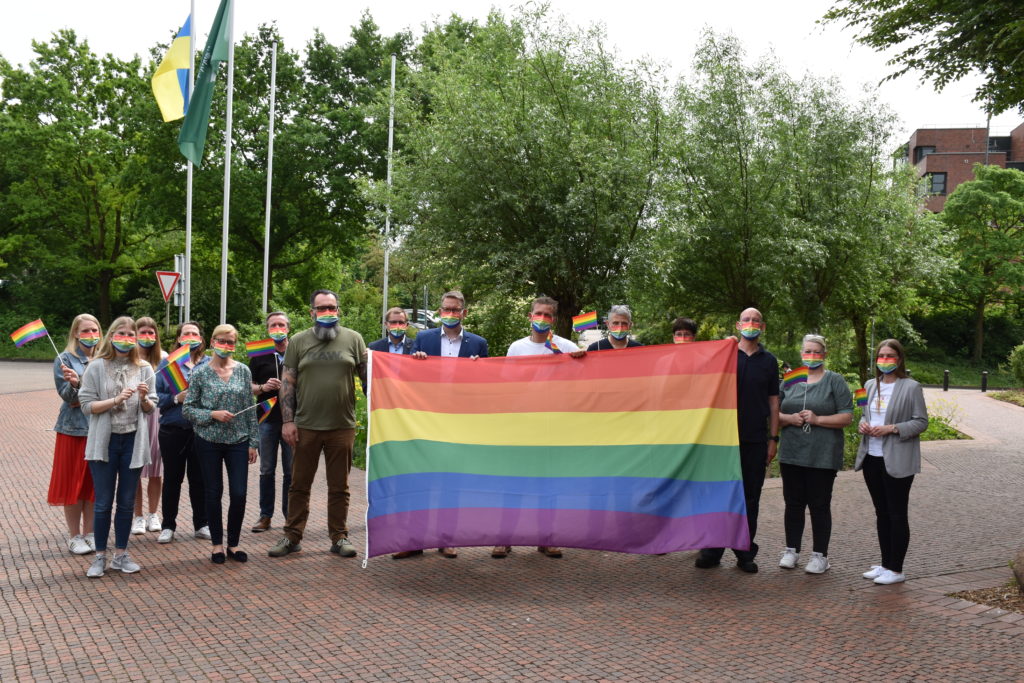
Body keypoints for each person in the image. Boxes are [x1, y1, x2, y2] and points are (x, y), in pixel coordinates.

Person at [390, 290, 489, 560]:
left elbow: (485, 387)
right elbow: (406, 377)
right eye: (446, 308)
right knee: (419, 479)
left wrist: (479, 369)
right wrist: (416, 362)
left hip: (458, 422)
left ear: (464, 313)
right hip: (425, 420)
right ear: (439, 310)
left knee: (450, 482)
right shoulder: (423, 338)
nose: (450, 313)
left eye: (455, 309)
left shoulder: (478, 344)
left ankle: (447, 538)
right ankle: (414, 540)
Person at [269, 289, 367, 559]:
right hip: (306, 426)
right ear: (311, 312)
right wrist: (287, 421)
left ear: (339, 310)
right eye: (321, 308)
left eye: (331, 307)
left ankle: (339, 537)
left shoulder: (354, 340)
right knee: (299, 485)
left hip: (342, 426)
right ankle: (292, 536)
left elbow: (370, 380)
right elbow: (287, 383)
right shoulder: (299, 342)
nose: (327, 313)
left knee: (339, 487)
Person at [494, 296, 585, 560]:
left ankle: (547, 538)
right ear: (530, 316)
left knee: (549, 483)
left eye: (547, 315)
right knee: (514, 482)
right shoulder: (517, 348)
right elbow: (506, 386)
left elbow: (581, 380)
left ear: (554, 319)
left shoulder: (565, 347)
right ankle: (504, 538)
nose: (542, 319)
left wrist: (581, 360)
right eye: (538, 314)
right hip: (521, 426)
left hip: (552, 427)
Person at [695, 307, 779, 573]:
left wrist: (773, 437)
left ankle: (744, 551)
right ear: (737, 325)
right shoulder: (724, 354)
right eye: (746, 320)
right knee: (718, 494)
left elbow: (774, 401)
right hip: (721, 440)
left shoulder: (769, 361)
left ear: (762, 327)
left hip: (754, 439)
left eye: (756, 320)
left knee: (749, 498)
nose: (751, 323)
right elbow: (696, 373)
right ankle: (712, 549)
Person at [78, 317, 157, 577]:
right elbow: (87, 405)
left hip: (133, 440)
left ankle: (121, 555)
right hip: (105, 442)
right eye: (120, 333)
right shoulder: (97, 366)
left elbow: (151, 407)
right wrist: (115, 399)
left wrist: (144, 399)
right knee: (103, 503)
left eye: (129, 334)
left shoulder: (144, 367)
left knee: (125, 503)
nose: (125, 338)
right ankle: (99, 557)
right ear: (111, 336)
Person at [777, 335, 853, 574]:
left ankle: (820, 555)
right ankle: (792, 550)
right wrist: (789, 419)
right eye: (807, 351)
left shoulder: (835, 381)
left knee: (819, 505)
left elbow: (847, 416)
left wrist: (818, 419)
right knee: (793, 504)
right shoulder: (789, 380)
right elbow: (772, 411)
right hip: (791, 453)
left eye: (816, 351)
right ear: (801, 353)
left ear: (824, 354)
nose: (811, 355)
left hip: (822, 455)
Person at [183, 324, 259, 564]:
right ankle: (217, 544)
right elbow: (188, 408)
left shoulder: (244, 371)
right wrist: (212, 414)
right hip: (208, 439)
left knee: (239, 493)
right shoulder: (200, 372)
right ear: (213, 341)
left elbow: (250, 410)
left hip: (238, 440)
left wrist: (253, 442)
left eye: (231, 342)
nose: (226, 346)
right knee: (213, 492)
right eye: (222, 341)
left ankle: (233, 544)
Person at [854, 339, 928, 585]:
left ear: (899, 359)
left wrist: (892, 428)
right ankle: (885, 564)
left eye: (890, 356)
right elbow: (864, 415)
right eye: (881, 355)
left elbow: (921, 422)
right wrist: (862, 425)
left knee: (897, 514)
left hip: (897, 459)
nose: (885, 360)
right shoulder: (868, 385)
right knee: (881, 513)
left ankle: (896, 569)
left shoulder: (911, 387)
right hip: (871, 458)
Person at [50, 314, 103, 555]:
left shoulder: (104, 359)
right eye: (86, 330)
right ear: (75, 333)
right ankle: (74, 536)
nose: (91, 335)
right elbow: (69, 398)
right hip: (73, 431)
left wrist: (84, 390)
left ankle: (91, 533)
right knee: (73, 483)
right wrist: (75, 386)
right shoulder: (64, 359)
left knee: (93, 485)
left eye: (95, 330)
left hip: (100, 429)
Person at [155, 322, 211, 544]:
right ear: (178, 338)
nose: (190, 337)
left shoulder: (209, 365)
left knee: (200, 480)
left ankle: (202, 524)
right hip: (172, 430)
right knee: (172, 479)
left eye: (195, 333)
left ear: (201, 339)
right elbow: (155, 397)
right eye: (186, 333)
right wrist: (176, 398)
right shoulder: (167, 364)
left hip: (201, 431)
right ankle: (168, 525)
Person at [249, 311, 293, 533]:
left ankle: (289, 516)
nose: (278, 328)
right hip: (266, 419)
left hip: (292, 420)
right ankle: (265, 515)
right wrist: (263, 388)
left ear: (288, 328)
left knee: (291, 471)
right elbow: (250, 386)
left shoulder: (297, 351)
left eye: (281, 325)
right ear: (268, 330)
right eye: (273, 325)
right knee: (267, 470)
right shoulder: (260, 355)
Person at [131, 317, 165, 535]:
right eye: (142, 332)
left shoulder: (164, 359)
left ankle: (153, 514)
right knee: (134, 469)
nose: (147, 337)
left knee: (156, 470)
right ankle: (138, 516)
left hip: (158, 418)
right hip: (135, 417)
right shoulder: (128, 359)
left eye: (151, 333)